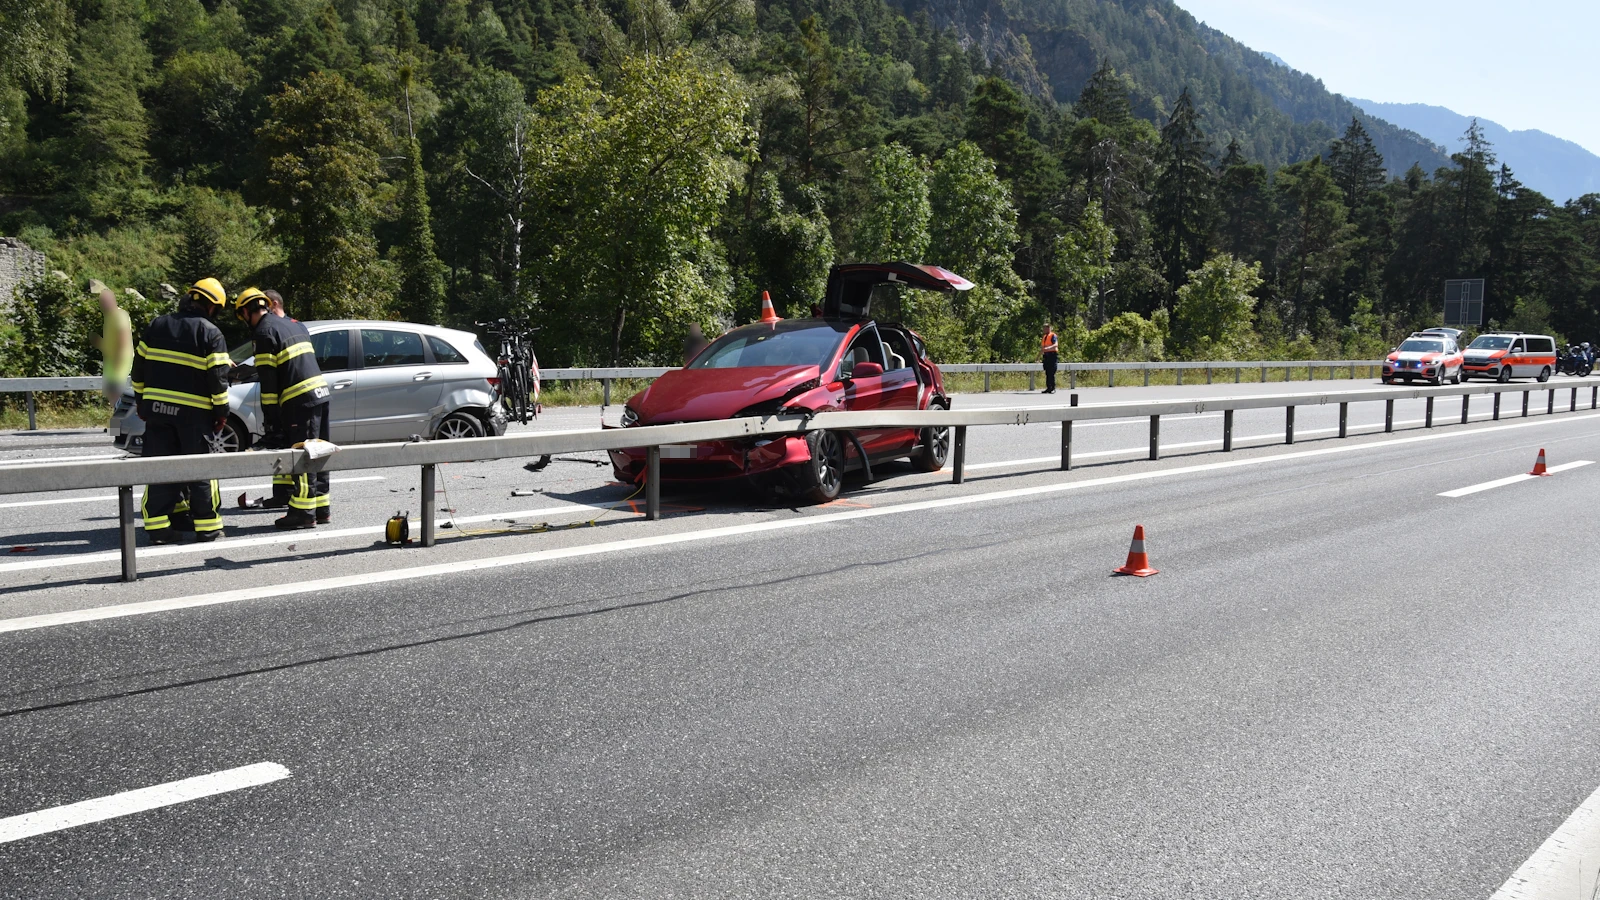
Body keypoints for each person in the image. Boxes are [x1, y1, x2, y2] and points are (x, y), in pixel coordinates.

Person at [130, 278, 231, 544]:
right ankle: (208, 527)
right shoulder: (211, 333)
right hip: (194, 415)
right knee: (201, 469)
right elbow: (218, 380)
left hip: (157, 411)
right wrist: (221, 412)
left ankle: (158, 527)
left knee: (160, 468)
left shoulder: (156, 325)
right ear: (212, 307)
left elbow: (137, 369)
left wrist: (142, 401)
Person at [235, 287, 331, 529]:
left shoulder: (264, 333)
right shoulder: (294, 325)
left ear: (246, 311)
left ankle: (303, 514)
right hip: (320, 394)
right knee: (319, 454)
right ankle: (321, 509)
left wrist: (272, 423)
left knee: (303, 456)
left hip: (299, 401)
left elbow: (269, 385)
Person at [90, 286, 133, 404]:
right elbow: (110, 346)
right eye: (101, 302)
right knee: (113, 401)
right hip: (111, 367)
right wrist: (98, 342)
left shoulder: (119, 315)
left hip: (119, 367)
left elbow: (122, 339)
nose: (102, 305)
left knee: (118, 402)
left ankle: (118, 422)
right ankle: (116, 421)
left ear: (113, 301)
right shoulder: (109, 318)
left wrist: (117, 363)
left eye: (105, 302)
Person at [1041, 322, 1059, 394]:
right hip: (1046, 356)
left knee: (1052, 372)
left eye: (1046, 328)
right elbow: (1042, 348)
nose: (1044, 330)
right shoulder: (1044, 337)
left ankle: (1053, 388)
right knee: (1047, 372)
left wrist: (1048, 348)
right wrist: (1038, 357)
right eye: (1044, 328)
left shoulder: (1053, 336)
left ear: (1049, 328)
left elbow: (1055, 345)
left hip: (1052, 355)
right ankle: (1048, 388)